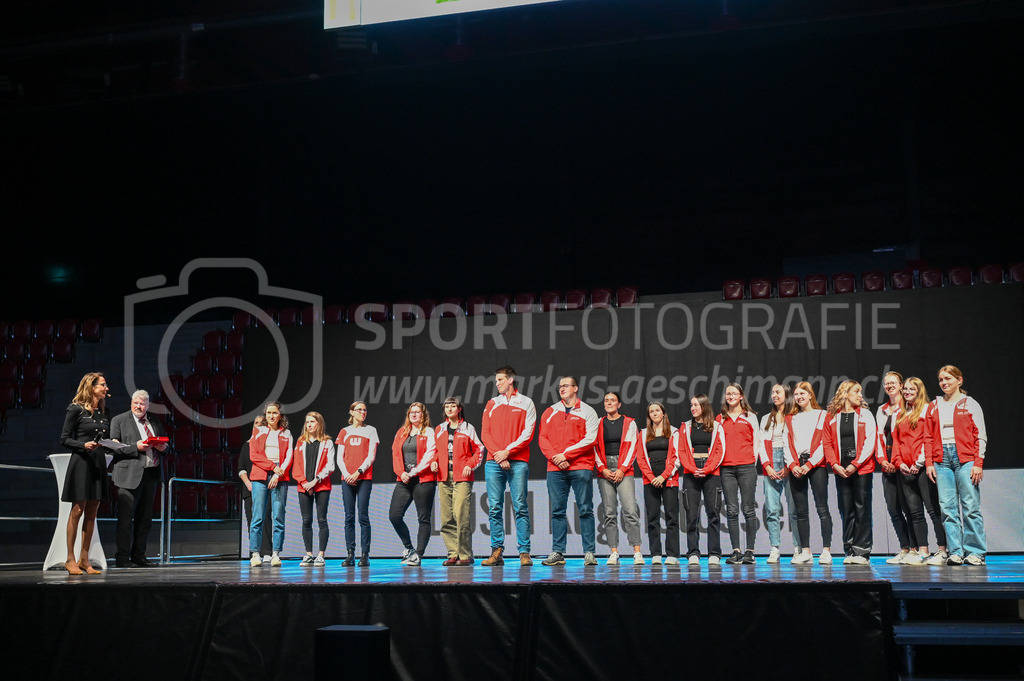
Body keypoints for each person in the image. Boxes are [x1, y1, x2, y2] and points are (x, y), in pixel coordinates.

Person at [59, 372, 145, 575]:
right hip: (81, 463)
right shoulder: (76, 410)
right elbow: (64, 439)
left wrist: (111, 444)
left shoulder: (104, 412)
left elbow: (102, 440)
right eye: (103, 385)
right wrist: (83, 445)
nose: (107, 389)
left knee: (92, 513)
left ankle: (84, 559)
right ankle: (70, 559)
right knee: (77, 511)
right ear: (92, 386)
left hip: (98, 463)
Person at [925, 365, 987, 566]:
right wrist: (929, 463)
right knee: (947, 508)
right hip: (942, 460)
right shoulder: (934, 405)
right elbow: (927, 437)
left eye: (948, 379)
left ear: (959, 380)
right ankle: (956, 552)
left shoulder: (970, 404)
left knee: (970, 507)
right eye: (941, 379)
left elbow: (980, 435)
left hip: (966, 459)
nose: (944, 383)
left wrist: (978, 462)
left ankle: (975, 552)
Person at [539, 376, 599, 566]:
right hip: (555, 468)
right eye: (560, 386)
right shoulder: (550, 411)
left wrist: (566, 455)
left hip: (581, 466)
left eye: (566, 386)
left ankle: (589, 552)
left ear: (575, 388)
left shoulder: (588, 411)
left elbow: (591, 439)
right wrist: (556, 457)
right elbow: (542, 438)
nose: (562, 389)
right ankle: (558, 552)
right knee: (557, 511)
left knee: (585, 509)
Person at [480, 366, 537, 567]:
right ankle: (497, 551)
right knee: (495, 507)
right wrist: (499, 454)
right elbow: (485, 433)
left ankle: (524, 552)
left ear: (511, 380)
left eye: (501, 380)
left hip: (518, 461)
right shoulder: (492, 403)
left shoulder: (526, 403)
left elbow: (528, 433)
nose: (497, 383)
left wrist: (508, 452)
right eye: (496, 381)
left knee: (520, 505)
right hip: (494, 462)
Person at [109, 389, 168, 568]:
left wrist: (163, 448)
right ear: (131, 403)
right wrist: (136, 447)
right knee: (126, 519)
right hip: (128, 475)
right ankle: (123, 558)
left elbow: (166, 446)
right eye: (136, 402)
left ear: (148, 405)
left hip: (151, 474)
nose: (139, 406)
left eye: (142, 403)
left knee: (145, 520)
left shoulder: (154, 421)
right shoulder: (119, 420)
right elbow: (113, 447)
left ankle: (139, 556)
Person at [823, 380, 878, 565]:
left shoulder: (866, 415)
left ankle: (862, 552)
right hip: (841, 470)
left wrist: (856, 463)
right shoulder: (831, 416)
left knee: (862, 508)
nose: (860, 395)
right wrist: (835, 465)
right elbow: (827, 443)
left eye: (861, 392)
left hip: (861, 469)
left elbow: (870, 441)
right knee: (846, 509)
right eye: (857, 391)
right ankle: (850, 550)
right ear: (846, 393)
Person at [891, 377, 939, 566]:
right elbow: (897, 441)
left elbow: (928, 438)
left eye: (912, 389)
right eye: (906, 389)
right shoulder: (901, 413)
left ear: (919, 390)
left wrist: (919, 463)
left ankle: (943, 550)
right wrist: (899, 462)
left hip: (921, 468)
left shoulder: (927, 409)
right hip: (905, 468)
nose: (908, 392)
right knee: (915, 512)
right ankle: (923, 550)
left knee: (934, 510)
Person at [674, 394, 725, 566]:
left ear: (704, 406)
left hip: (712, 472)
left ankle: (714, 553)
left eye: (696, 405)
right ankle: (693, 552)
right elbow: (681, 451)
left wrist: (708, 469)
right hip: (691, 471)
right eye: (691, 405)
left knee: (713, 513)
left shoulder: (717, 426)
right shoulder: (685, 427)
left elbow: (720, 450)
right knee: (691, 514)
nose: (693, 408)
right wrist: (693, 468)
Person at [786, 382, 833, 565]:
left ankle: (826, 550)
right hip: (797, 466)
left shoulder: (822, 415)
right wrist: (792, 464)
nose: (798, 397)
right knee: (801, 511)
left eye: (802, 393)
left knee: (822, 508)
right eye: (796, 394)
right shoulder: (791, 418)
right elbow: (786, 443)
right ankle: (805, 551)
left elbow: (825, 443)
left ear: (810, 395)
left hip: (816, 466)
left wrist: (810, 464)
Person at [594, 391, 643, 566]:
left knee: (630, 511)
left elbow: (633, 447)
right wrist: (602, 468)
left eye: (612, 400)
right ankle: (614, 552)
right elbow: (594, 448)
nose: (609, 403)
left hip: (625, 468)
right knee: (609, 513)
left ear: (619, 404)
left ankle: (637, 552)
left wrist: (622, 468)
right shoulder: (598, 423)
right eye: (606, 400)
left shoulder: (629, 423)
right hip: (605, 469)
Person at [434, 396, 485, 566]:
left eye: (453, 405)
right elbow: (434, 451)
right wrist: (434, 461)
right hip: (443, 477)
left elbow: (479, 449)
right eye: (446, 406)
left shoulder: (468, 428)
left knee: (461, 515)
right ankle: (452, 553)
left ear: (459, 409)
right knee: (446, 518)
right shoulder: (439, 429)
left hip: (462, 477)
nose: (449, 409)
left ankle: (465, 555)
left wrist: (470, 465)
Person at [717, 383, 763, 565]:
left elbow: (756, 443)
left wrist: (752, 465)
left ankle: (750, 551)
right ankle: (736, 551)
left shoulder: (750, 417)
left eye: (734, 393)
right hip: (726, 469)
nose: (731, 396)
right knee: (732, 510)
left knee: (748, 509)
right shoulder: (720, 419)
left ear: (741, 396)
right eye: (728, 394)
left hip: (746, 468)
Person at [389, 402, 437, 567]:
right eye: (412, 412)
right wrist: (401, 473)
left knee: (423, 518)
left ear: (424, 415)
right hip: (404, 479)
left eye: (418, 412)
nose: (414, 415)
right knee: (394, 516)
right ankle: (409, 548)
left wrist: (414, 472)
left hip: (423, 479)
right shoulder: (402, 432)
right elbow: (395, 454)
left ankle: (419, 554)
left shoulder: (430, 432)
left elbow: (431, 454)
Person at [247, 402, 294, 568]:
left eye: (275, 413)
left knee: (278, 517)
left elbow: (289, 456)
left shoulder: (286, 433)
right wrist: (272, 467)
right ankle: (255, 554)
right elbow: (254, 455)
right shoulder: (258, 431)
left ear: (280, 415)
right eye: (269, 413)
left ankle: (275, 554)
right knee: (257, 516)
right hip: (260, 475)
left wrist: (276, 473)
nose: (271, 416)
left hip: (280, 476)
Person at [335, 401, 379, 567]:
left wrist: (357, 473)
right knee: (349, 517)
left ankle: (365, 555)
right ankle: (350, 554)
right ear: (351, 412)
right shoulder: (344, 431)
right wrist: (347, 475)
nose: (363, 412)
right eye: (359, 410)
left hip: (364, 478)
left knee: (363, 516)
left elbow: (371, 456)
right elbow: (340, 457)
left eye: (365, 410)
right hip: (347, 480)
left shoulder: (371, 430)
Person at [759, 383, 798, 564]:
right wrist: (767, 466)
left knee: (794, 509)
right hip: (771, 463)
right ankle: (775, 548)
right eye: (772, 392)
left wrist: (789, 465)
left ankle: (798, 548)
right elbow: (761, 445)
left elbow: (796, 443)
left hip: (789, 462)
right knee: (772, 510)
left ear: (787, 394)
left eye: (778, 392)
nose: (774, 395)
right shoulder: (767, 418)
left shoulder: (794, 416)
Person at [636, 401, 679, 565]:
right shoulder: (644, 433)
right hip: (650, 480)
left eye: (657, 410)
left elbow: (677, 457)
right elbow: (640, 458)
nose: (654, 413)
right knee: (652, 517)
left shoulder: (674, 432)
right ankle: (655, 553)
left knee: (671, 517)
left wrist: (664, 476)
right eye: (651, 411)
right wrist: (651, 477)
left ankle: (672, 554)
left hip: (668, 479)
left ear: (663, 413)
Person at [292, 411, 335, 567]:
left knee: (322, 520)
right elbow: (295, 466)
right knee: (306, 520)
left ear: (319, 423)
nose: (309, 424)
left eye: (312, 421)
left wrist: (315, 481)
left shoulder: (327, 442)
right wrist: (305, 483)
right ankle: (309, 554)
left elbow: (331, 466)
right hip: (303, 486)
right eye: (307, 422)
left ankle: (321, 555)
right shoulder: (300, 442)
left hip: (321, 485)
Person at [238, 416, 273, 558]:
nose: (259, 425)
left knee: (266, 519)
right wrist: (248, 483)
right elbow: (241, 468)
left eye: (263, 423)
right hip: (250, 488)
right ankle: (255, 552)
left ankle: (267, 552)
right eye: (257, 423)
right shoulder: (247, 445)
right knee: (253, 520)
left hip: (266, 486)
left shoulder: (269, 444)